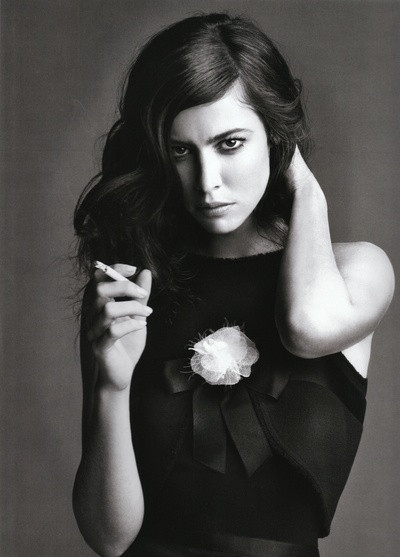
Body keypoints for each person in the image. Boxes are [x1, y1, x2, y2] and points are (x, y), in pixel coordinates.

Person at [72, 12, 394, 557]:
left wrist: (305, 189)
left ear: (275, 135)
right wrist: (111, 386)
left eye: (230, 143)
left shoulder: (355, 273)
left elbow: (306, 329)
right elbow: (108, 538)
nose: (208, 182)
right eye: (180, 150)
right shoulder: (129, 289)